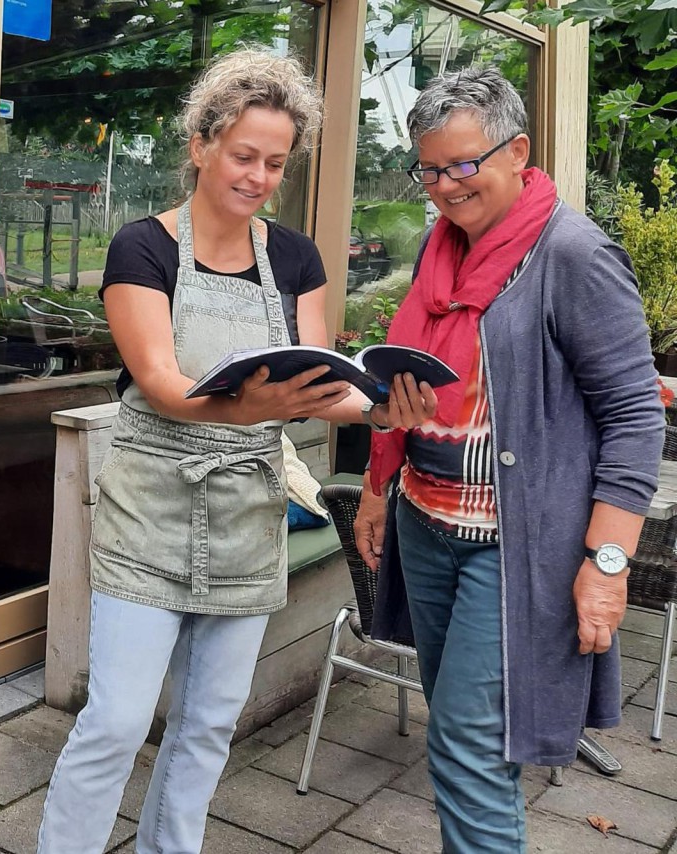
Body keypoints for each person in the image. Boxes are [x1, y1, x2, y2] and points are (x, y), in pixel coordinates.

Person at [36, 48, 438, 854]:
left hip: (247, 512)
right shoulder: (140, 248)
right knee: (115, 722)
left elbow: (325, 381)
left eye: (275, 164)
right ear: (201, 145)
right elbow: (158, 381)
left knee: (209, 723)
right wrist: (249, 406)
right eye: (244, 156)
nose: (258, 176)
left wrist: (386, 409)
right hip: (151, 505)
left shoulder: (294, 259)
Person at [354, 67, 664, 853]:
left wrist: (608, 560)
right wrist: (375, 489)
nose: (444, 189)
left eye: (463, 166)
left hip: (515, 548)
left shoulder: (573, 255)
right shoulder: (441, 246)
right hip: (426, 526)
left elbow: (634, 417)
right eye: (429, 170)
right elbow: (413, 385)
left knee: (467, 751)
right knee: (462, 736)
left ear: (517, 151)